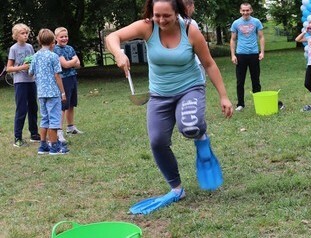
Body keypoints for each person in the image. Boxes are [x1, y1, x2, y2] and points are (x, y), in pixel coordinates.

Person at [106, 0, 233, 214]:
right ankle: (176, 189)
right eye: (157, 15)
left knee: (190, 127)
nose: (161, 20)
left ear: (177, 13)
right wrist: (118, 53)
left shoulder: (190, 31)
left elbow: (209, 63)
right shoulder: (147, 27)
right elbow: (112, 37)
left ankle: (202, 140)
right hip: (159, 94)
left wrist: (224, 96)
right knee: (157, 141)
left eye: (167, 15)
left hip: (189, 88)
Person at [29, 29, 69, 155]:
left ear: (39, 41)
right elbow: (57, 75)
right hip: (53, 93)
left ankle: (43, 145)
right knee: (54, 119)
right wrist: (62, 92)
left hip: (41, 93)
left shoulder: (35, 56)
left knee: (45, 118)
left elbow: (30, 73)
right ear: (53, 42)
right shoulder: (53, 56)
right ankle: (54, 147)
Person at [6, 23, 40, 147]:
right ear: (16, 35)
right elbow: (9, 68)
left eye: (26, 33)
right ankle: (17, 138)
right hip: (20, 82)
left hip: (31, 81)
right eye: (22, 33)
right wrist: (22, 67)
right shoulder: (13, 49)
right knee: (21, 109)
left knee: (33, 107)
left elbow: (33, 61)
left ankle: (34, 134)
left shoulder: (30, 47)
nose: (25, 35)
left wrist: (32, 69)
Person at [230, 2, 265, 112]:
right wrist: (233, 55)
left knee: (256, 80)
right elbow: (233, 39)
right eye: (243, 10)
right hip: (241, 55)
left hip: (254, 54)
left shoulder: (256, 22)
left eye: (247, 10)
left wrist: (262, 52)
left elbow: (261, 37)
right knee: (240, 81)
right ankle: (240, 104)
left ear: (251, 10)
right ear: (240, 11)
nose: (245, 12)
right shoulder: (236, 23)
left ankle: (258, 102)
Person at [53, 27, 82, 143]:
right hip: (63, 79)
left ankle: (70, 127)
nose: (64, 38)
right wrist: (73, 61)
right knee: (63, 105)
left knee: (71, 104)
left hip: (72, 77)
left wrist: (73, 62)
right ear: (56, 38)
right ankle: (59, 130)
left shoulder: (70, 48)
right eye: (61, 37)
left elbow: (79, 64)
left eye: (66, 36)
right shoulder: (56, 50)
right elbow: (64, 65)